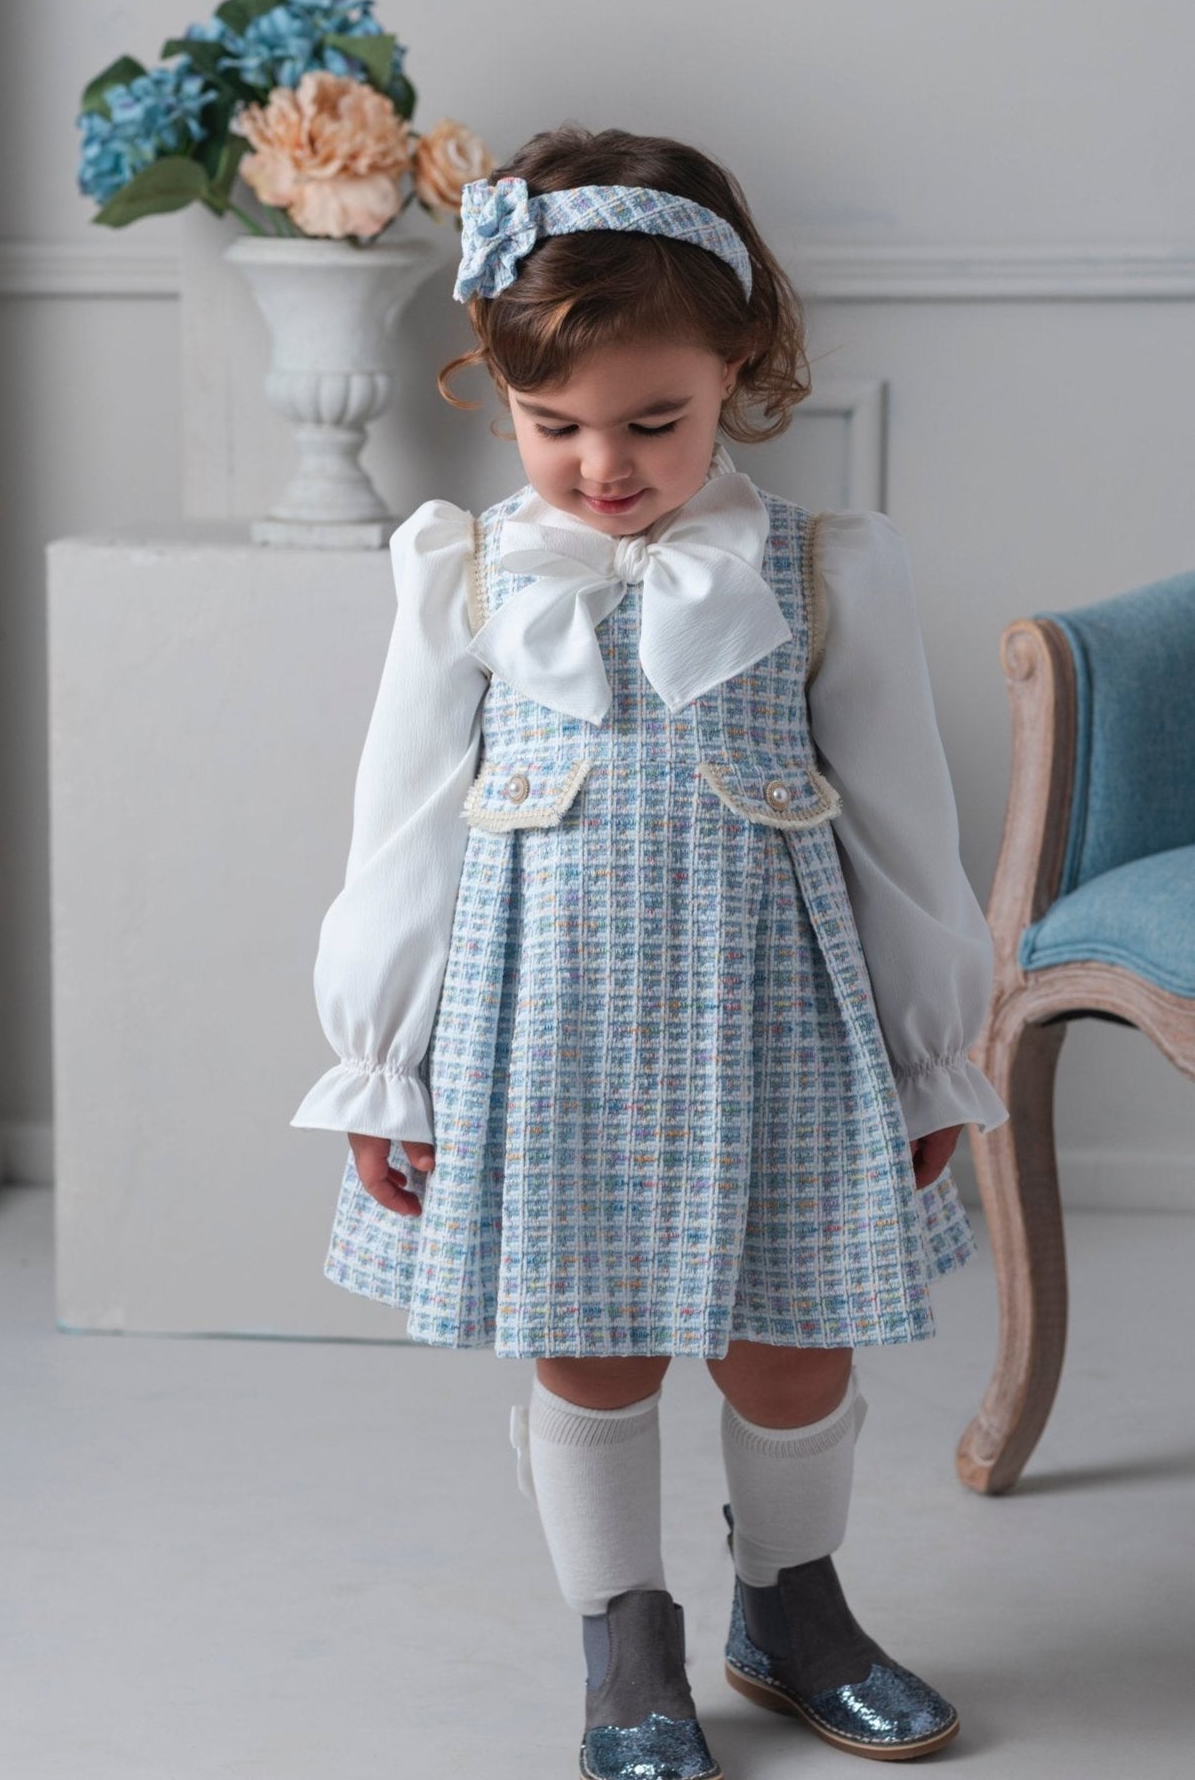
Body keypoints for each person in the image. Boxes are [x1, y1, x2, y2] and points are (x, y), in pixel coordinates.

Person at [290, 123, 1010, 1778]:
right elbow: (399, 827)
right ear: (494, 385)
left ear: (739, 368)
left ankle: (794, 1608)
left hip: (780, 1030)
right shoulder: (461, 572)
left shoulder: (823, 569)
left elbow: (907, 824)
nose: (602, 467)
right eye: (554, 426)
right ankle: (626, 1639)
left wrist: (927, 1051)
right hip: (545, 1036)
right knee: (589, 1337)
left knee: (790, 1336)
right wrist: (383, 1067)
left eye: (653, 423)